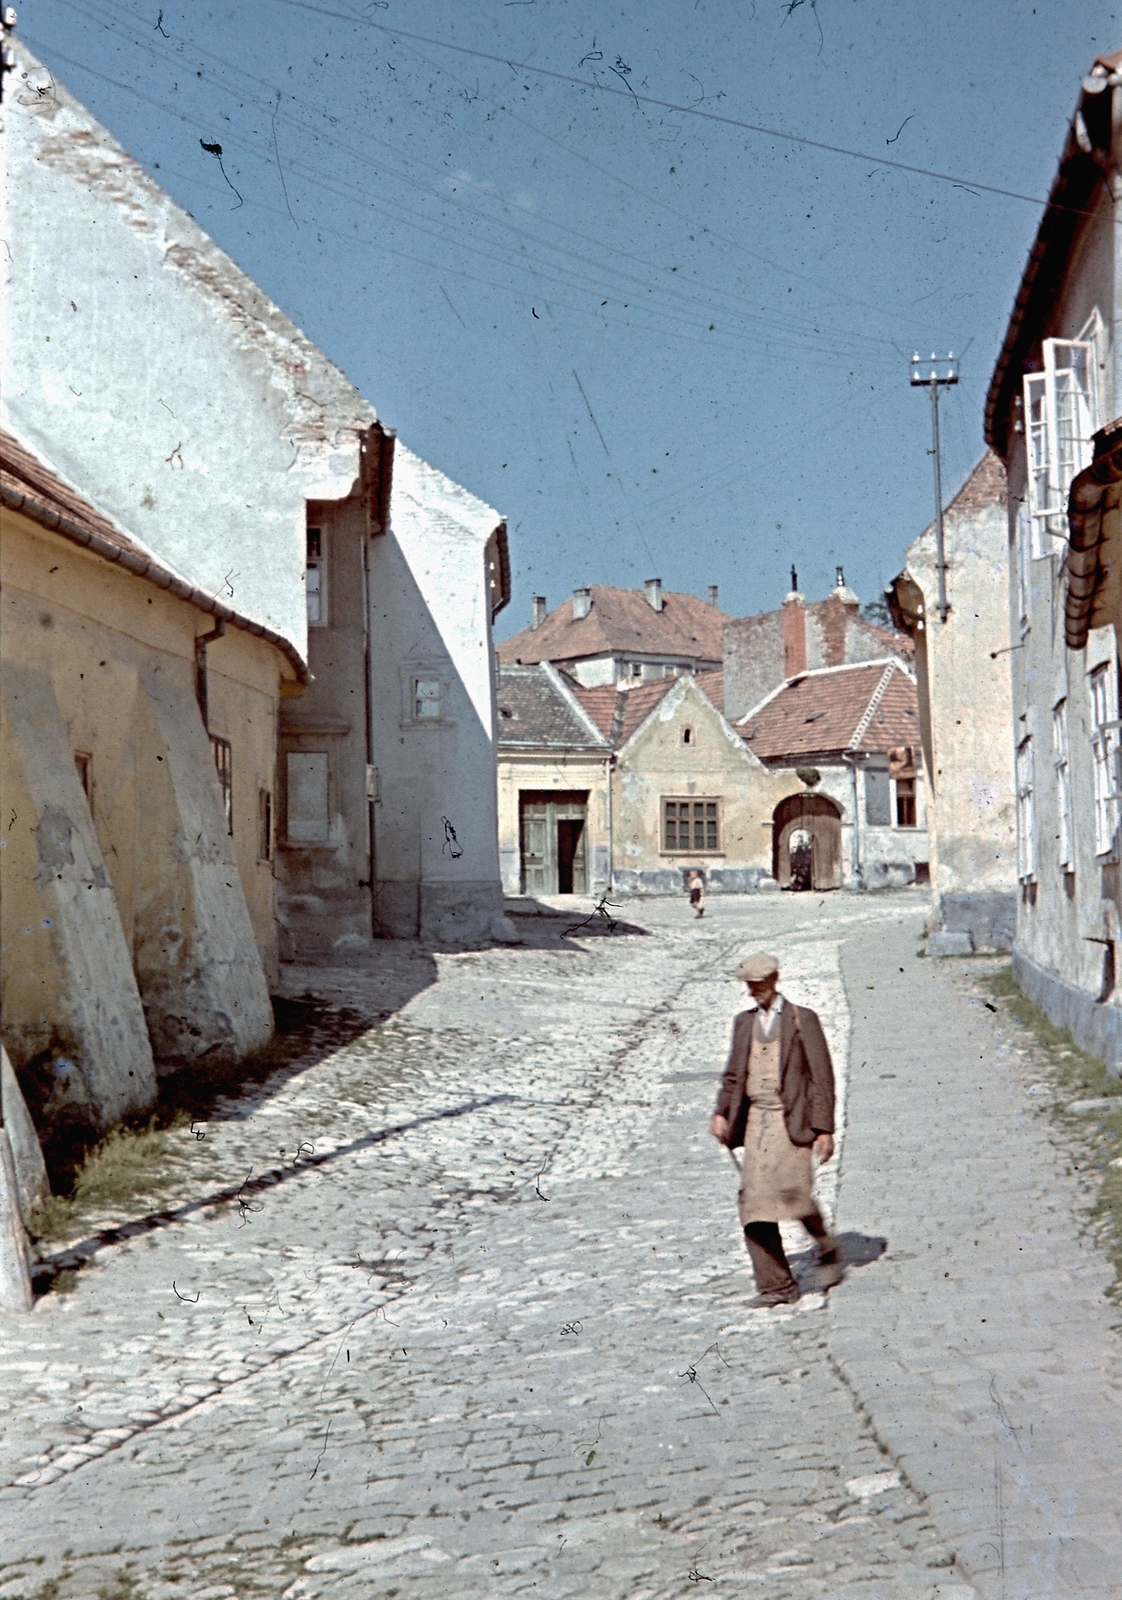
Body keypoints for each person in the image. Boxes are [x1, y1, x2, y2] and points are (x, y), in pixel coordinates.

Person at [709, 952, 841, 1307]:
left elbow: (821, 1078)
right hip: (757, 1124)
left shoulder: (802, 1020)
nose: (754, 989)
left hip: (792, 1120)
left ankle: (826, 1245)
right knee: (753, 1205)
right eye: (749, 984)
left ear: (775, 979)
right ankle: (776, 1286)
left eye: (760, 982)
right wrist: (721, 1112)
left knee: (792, 1197)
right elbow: (734, 1074)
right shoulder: (743, 1023)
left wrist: (824, 1129)